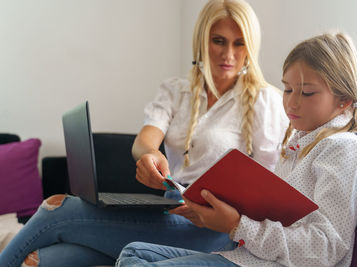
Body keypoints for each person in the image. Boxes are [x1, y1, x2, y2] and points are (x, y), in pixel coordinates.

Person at [0, 1, 288, 266]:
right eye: (218, 41)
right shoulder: (177, 90)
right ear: (202, 41)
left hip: (213, 228)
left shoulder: (265, 100)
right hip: (171, 209)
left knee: (57, 208)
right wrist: (150, 156)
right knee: (45, 259)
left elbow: (267, 186)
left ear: (251, 46)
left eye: (239, 44)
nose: (229, 54)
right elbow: (145, 140)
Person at [115, 32, 357, 267]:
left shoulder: (342, 149)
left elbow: (325, 251)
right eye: (287, 89)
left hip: (266, 261)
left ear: (344, 100)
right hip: (246, 256)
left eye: (307, 93)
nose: (291, 102)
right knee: (133, 253)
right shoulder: (301, 144)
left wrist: (236, 225)